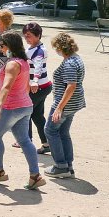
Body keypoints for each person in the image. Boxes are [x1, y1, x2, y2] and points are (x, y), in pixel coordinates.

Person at [0, 31, 45, 190]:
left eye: (2, 46)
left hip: (11, 107)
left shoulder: (12, 64)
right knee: (25, 141)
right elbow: (24, 85)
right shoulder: (23, 62)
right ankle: (35, 176)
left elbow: (7, 86)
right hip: (25, 106)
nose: (2, 49)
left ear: (9, 46)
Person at [45, 32, 86, 179]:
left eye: (56, 47)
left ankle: (60, 166)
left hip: (66, 104)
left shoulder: (69, 63)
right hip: (75, 103)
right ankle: (68, 165)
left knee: (50, 130)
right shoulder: (76, 58)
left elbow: (71, 86)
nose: (55, 50)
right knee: (63, 132)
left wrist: (59, 107)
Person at [22, 22, 53, 154]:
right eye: (25, 36)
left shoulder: (40, 51)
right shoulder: (33, 48)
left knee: (25, 114)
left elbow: (38, 66)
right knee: (37, 116)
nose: (26, 38)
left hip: (38, 88)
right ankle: (47, 143)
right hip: (42, 87)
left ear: (38, 35)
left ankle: (26, 142)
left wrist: (34, 81)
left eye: (29, 36)